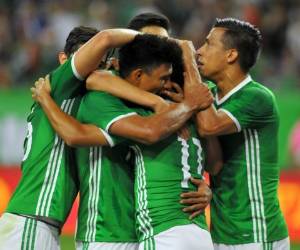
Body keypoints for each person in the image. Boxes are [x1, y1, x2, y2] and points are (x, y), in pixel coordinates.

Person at [32, 34, 217, 250]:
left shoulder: (171, 103)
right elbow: (79, 126)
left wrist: (203, 186)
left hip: (150, 228)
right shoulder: (105, 99)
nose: (166, 82)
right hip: (106, 231)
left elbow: (210, 159)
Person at [0, 26, 150, 250]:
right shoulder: (60, 86)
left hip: (39, 224)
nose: (93, 70)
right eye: (87, 60)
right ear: (64, 59)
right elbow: (106, 38)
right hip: (31, 221)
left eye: (100, 63)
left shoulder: (81, 100)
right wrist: (155, 41)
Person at [173, 17, 289, 250]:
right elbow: (215, 164)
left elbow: (208, 126)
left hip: (257, 232)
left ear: (231, 55)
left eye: (208, 44)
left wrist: (187, 58)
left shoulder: (257, 96)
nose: (199, 52)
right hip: (222, 230)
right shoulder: (212, 96)